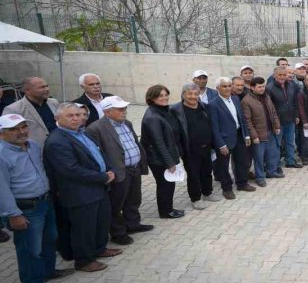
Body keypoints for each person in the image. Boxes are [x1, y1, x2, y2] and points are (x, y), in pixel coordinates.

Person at [1, 114, 72, 283]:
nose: (21, 132)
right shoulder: (2, 154)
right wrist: (13, 214)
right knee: (30, 248)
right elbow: (2, 189)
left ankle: (48, 271)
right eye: (14, 129)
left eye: (23, 127)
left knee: (49, 238)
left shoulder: (32, 145)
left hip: (44, 200)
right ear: (2, 133)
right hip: (25, 208)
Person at [44, 102, 120, 272]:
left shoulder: (81, 133)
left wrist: (109, 169)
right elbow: (71, 170)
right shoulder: (57, 141)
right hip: (80, 193)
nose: (76, 118)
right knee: (84, 228)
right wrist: (103, 177)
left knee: (100, 222)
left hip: (98, 188)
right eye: (70, 116)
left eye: (78, 115)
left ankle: (99, 249)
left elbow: (98, 153)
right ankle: (84, 261)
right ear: (57, 118)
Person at [85, 96, 152, 246]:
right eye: (120, 109)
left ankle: (133, 224)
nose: (125, 111)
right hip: (118, 172)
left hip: (134, 168)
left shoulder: (127, 123)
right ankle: (118, 233)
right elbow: (96, 154)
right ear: (107, 112)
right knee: (116, 204)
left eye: (125, 108)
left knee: (134, 199)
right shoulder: (95, 128)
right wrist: (108, 172)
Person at [140, 86, 186, 219]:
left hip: (165, 156)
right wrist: (169, 162)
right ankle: (166, 212)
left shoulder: (163, 110)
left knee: (169, 183)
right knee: (165, 184)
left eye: (166, 94)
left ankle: (168, 208)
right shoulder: (152, 117)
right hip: (158, 159)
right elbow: (158, 143)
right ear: (152, 98)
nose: (165, 98)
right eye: (160, 96)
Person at [170, 84, 215, 210]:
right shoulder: (176, 110)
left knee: (207, 171)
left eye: (196, 94)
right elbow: (175, 133)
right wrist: (179, 150)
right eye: (190, 94)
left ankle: (207, 193)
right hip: (190, 149)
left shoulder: (203, 106)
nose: (193, 96)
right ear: (183, 94)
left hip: (206, 146)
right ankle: (196, 199)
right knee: (193, 175)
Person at [208, 77, 254, 199]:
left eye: (229, 86)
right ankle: (227, 189)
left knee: (241, 161)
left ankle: (242, 184)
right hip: (224, 139)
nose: (227, 88)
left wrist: (246, 135)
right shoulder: (213, 104)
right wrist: (221, 144)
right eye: (224, 86)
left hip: (239, 135)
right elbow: (214, 127)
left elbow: (242, 118)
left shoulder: (235, 99)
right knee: (223, 166)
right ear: (217, 88)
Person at [241, 77, 282, 187]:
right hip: (258, 135)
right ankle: (259, 177)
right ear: (252, 87)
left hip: (270, 131)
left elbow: (273, 112)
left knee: (272, 154)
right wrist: (254, 136)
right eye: (259, 87)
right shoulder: (246, 101)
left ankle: (271, 172)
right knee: (259, 158)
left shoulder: (266, 97)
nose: (262, 89)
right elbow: (247, 121)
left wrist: (277, 125)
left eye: (263, 86)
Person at [5, 77, 59, 147]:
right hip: (34, 149)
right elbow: (8, 135)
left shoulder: (53, 102)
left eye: (47, 86)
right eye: (42, 87)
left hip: (58, 146)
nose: (47, 89)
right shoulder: (14, 109)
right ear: (27, 90)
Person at [267, 67, 301, 169]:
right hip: (278, 121)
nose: (282, 77)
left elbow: (294, 102)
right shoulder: (269, 88)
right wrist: (274, 121)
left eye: (284, 75)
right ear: (274, 75)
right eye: (280, 75)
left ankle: (290, 161)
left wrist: (296, 115)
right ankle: (276, 164)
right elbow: (269, 107)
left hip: (290, 119)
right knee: (277, 144)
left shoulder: (291, 85)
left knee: (290, 142)